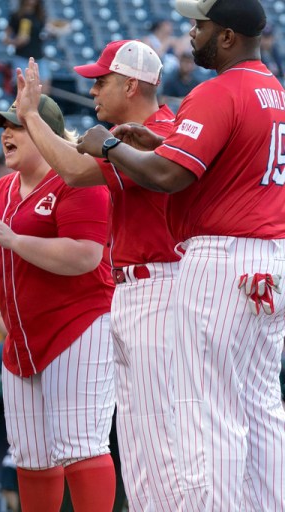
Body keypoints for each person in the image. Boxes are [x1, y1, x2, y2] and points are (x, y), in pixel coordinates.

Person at [76, 0, 285, 509]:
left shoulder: (217, 91)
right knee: (259, 408)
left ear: (229, 36)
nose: (192, 34)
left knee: (208, 411)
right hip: (269, 258)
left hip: (218, 260)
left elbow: (170, 177)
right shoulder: (275, 92)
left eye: (201, 25)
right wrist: (156, 141)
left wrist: (107, 146)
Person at [0, 96, 116, 512]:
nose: (5, 134)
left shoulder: (78, 182)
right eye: (3, 127)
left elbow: (85, 255)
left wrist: (14, 240)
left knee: (82, 444)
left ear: (46, 135)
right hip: (23, 336)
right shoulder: (1, 191)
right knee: (30, 456)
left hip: (79, 326)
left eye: (16, 126)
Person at [17, 39, 182, 511]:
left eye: (101, 81)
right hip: (135, 288)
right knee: (136, 437)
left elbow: (71, 170)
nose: (92, 90)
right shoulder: (131, 133)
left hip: (162, 285)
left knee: (160, 434)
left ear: (132, 85)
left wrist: (32, 116)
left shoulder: (160, 131)